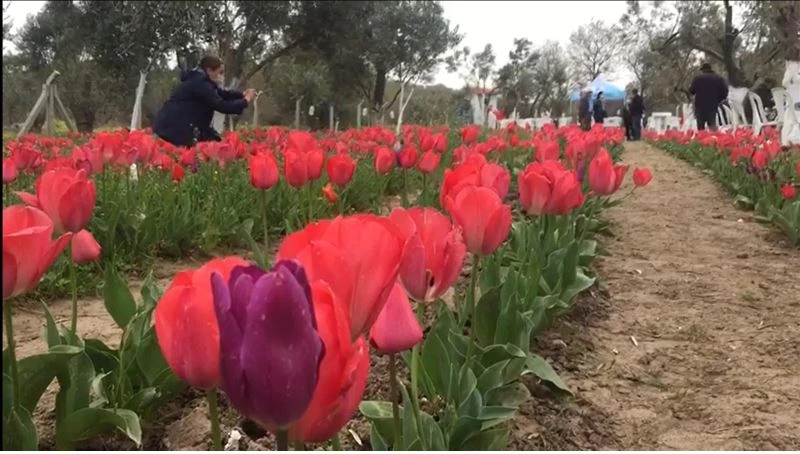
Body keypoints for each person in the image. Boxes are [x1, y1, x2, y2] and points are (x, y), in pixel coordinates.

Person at [154, 56, 256, 148]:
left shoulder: (201, 81)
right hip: (176, 128)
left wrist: (242, 94)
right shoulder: (200, 84)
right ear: (209, 70)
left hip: (182, 126)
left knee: (215, 146)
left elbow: (222, 94)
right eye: (220, 72)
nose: (222, 76)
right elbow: (221, 105)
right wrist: (245, 101)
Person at [689, 62, 729, 131]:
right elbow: (725, 92)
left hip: (700, 106)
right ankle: (712, 140)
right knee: (712, 125)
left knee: (701, 127)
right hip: (712, 105)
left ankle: (701, 140)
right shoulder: (719, 78)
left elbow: (692, 91)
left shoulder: (697, 79)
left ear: (703, 70)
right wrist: (718, 100)